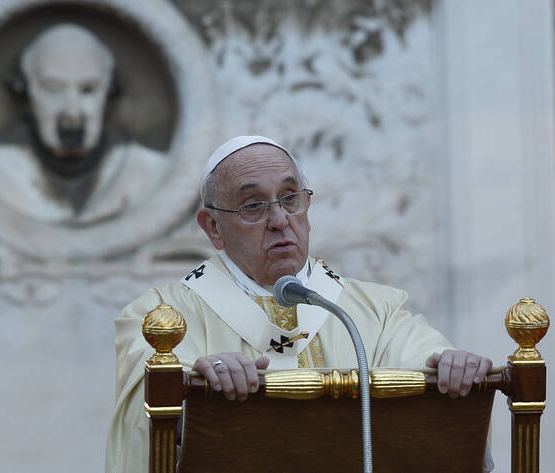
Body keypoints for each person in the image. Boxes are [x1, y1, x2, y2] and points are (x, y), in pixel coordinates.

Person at [105, 135, 493, 472]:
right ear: (212, 227)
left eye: (290, 199)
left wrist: (456, 369)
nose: (279, 220)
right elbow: (145, 418)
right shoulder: (159, 319)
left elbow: (428, 370)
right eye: (253, 206)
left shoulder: (376, 311)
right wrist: (194, 391)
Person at [0, 24, 166, 224]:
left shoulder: (148, 173)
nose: (72, 113)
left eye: (88, 89)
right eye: (53, 89)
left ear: (108, 92)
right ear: (26, 92)